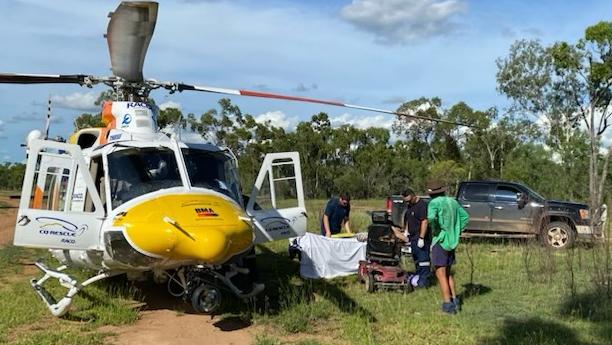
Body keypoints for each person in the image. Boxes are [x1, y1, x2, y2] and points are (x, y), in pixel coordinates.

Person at [426, 180, 469, 315]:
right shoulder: (453, 202)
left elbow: (431, 218)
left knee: (440, 273)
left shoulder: (434, 203)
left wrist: (436, 228)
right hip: (452, 241)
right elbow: (465, 217)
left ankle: (447, 306)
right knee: (448, 273)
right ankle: (455, 300)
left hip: (440, 240)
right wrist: (456, 230)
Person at [392, 188, 431, 288]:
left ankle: (424, 281)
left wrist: (421, 238)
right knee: (416, 259)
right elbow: (408, 220)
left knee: (423, 260)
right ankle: (417, 278)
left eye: (409, 200)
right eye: (406, 201)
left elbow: (424, 222)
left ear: (413, 195)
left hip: (421, 236)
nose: (408, 202)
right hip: (412, 236)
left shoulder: (421, 205)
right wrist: (405, 232)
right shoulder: (410, 206)